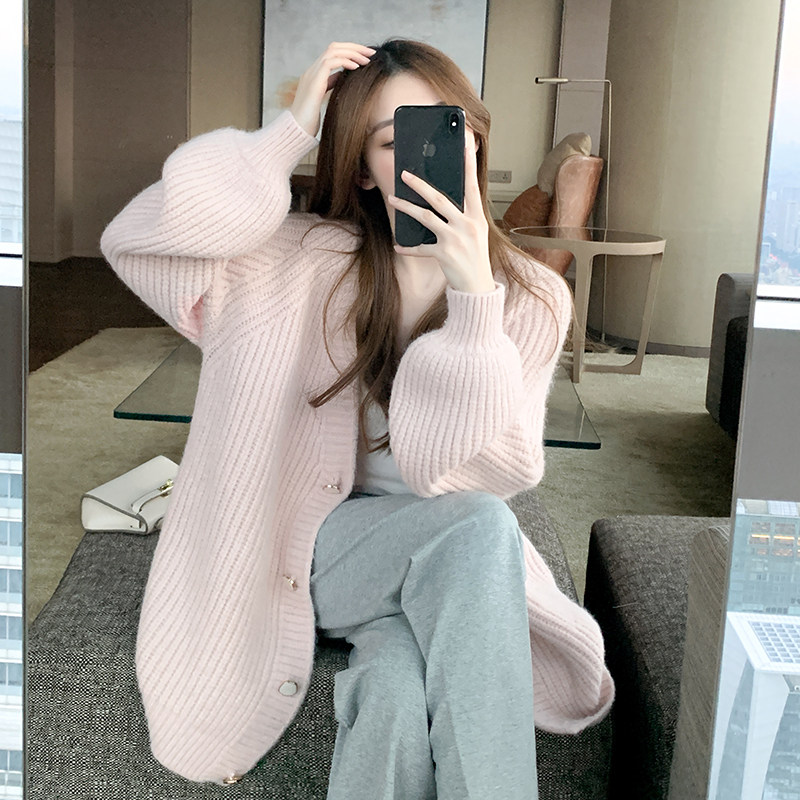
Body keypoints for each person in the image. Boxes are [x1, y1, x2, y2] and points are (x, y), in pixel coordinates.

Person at [100, 39, 614, 799]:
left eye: (443, 130)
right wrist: (288, 131)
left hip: (429, 554)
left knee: (397, 686)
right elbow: (139, 242)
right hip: (302, 548)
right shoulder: (293, 260)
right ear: (365, 169)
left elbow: (478, 471)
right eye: (391, 141)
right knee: (481, 528)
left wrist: (473, 302)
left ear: (473, 139)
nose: (424, 157)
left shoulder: (532, 298)